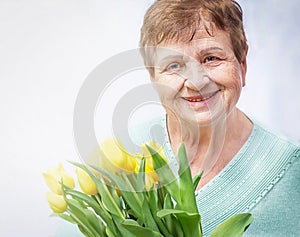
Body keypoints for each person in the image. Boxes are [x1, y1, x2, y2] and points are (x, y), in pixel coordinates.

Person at [128, 0, 300, 236]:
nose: (196, 82)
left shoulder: (293, 170)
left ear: (243, 63)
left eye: (211, 58)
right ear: (152, 75)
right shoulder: (121, 154)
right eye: (174, 65)